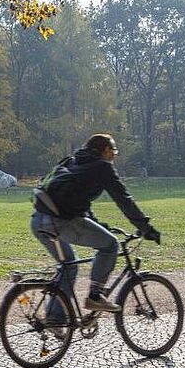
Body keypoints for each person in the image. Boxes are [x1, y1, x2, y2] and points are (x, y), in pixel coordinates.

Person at [31, 134, 160, 320]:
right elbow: (124, 200)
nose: (114, 156)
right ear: (106, 150)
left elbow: (79, 203)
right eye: (114, 151)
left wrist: (100, 226)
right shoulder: (102, 167)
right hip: (61, 223)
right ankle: (95, 295)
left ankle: (55, 319)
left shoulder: (74, 162)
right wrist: (145, 227)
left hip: (38, 220)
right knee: (110, 246)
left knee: (68, 265)